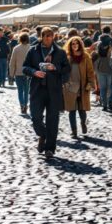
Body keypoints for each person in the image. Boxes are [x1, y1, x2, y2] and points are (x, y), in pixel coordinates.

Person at [22, 27, 70, 159]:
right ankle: (43, 134)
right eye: (46, 36)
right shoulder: (33, 50)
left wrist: (56, 68)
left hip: (54, 90)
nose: (48, 38)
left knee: (52, 120)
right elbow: (25, 67)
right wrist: (34, 72)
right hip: (37, 89)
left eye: (50, 36)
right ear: (41, 37)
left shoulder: (60, 52)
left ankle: (49, 149)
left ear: (53, 37)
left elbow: (67, 69)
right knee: (35, 118)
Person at [63, 36, 96, 139]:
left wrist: (91, 83)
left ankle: (83, 122)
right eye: (73, 44)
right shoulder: (67, 57)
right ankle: (74, 131)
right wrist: (65, 83)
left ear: (80, 44)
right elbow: (63, 71)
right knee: (72, 110)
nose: (75, 46)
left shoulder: (85, 56)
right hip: (70, 87)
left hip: (83, 86)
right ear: (70, 45)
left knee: (82, 109)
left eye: (77, 44)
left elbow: (90, 71)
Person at [92, 29, 112, 112]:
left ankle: (104, 105)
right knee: (110, 87)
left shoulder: (98, 46)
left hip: (100, 68)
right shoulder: (110, 47)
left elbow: (94, 57)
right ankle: (110, 104)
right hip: (109, 68)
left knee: (102, 88)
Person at [8, 32, 31, 114]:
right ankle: (25, 105)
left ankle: (22, 105)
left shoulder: (16, 48)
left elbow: (12, 62)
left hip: (18, 73)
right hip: (28, 73)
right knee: (26, 90)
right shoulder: (31, 48)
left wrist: (11, 74)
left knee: (20, 91)